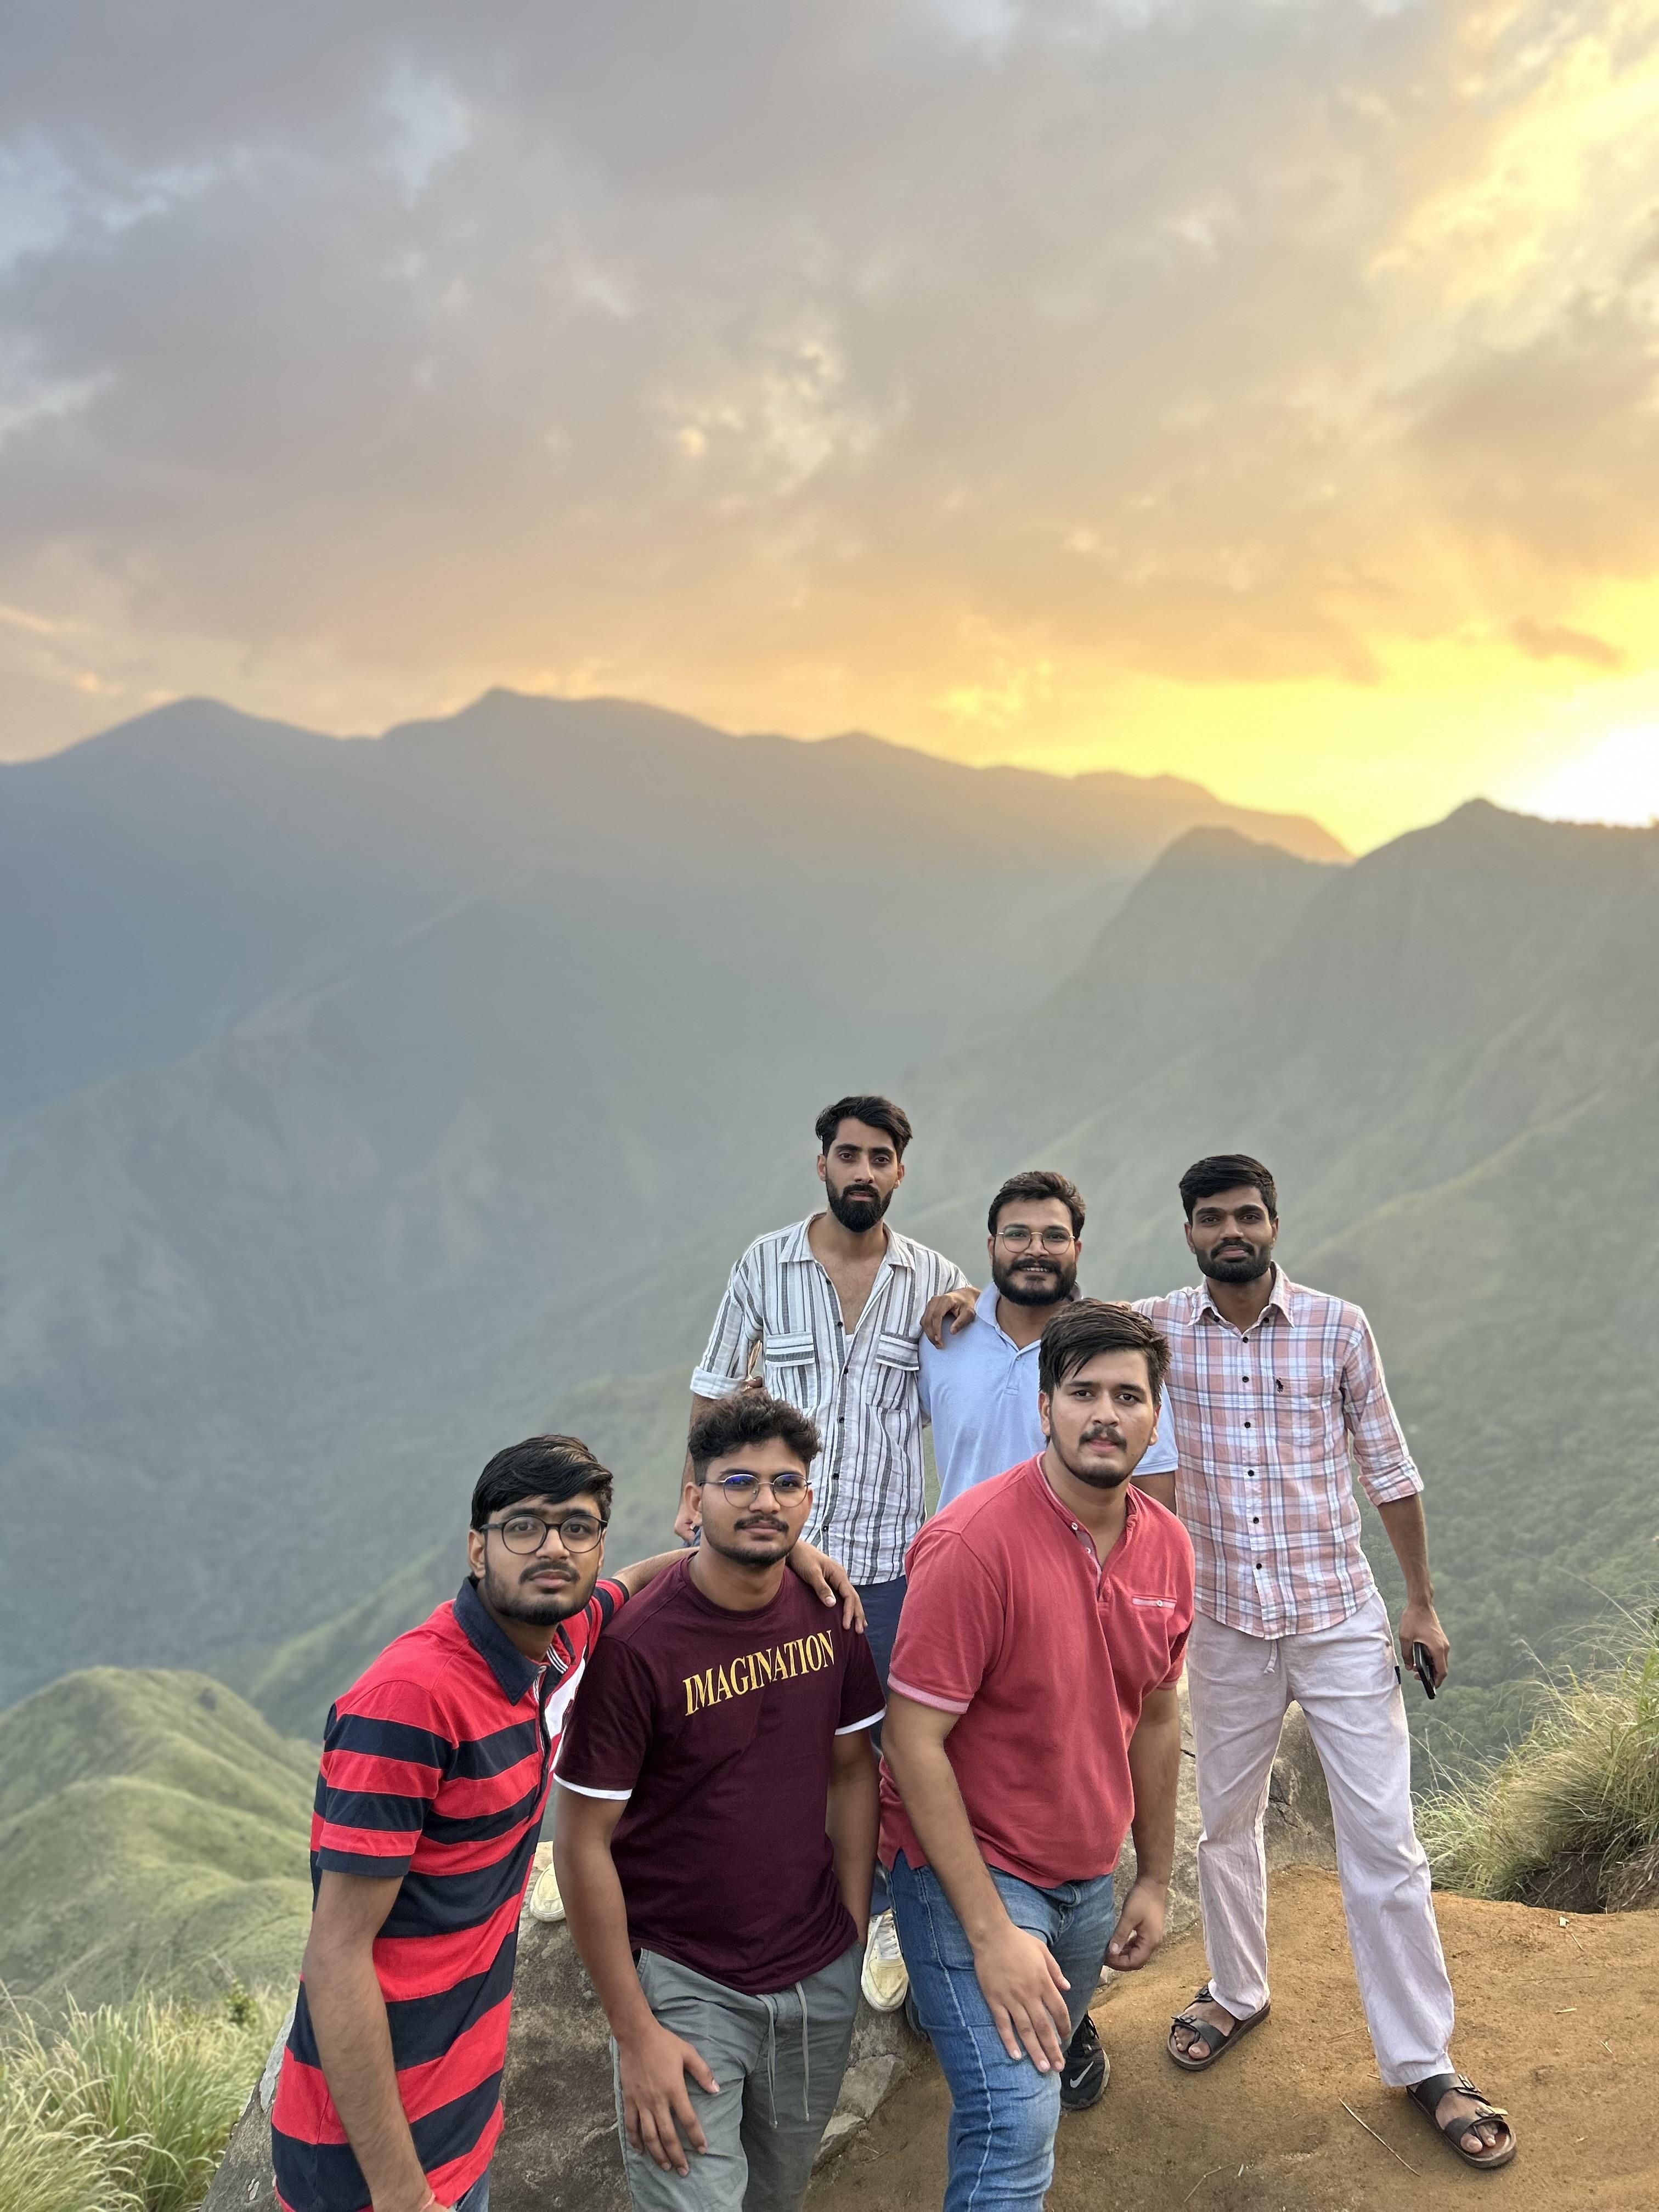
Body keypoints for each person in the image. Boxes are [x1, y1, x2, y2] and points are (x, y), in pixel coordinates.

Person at [270, 1434, 860, 2212]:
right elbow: (336, 1955)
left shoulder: (556, 1648)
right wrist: (401, 2193)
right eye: (525, 1527)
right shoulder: (409, 1702)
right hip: (365, 2165)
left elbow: (640, 1580)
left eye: (577, 1528)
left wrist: (785, 1554)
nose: (554, 1548)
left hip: (460, 2127)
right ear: (477, 1548)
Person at [1138, 1155, 1515, 2172]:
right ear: (1188, 1231)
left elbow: (1388, 1467)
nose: (1231, 1231)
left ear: (1273, 1223)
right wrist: (962, 1305)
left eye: (1246, 1214)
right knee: (1225, 1820)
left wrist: (1420, 1602)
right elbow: (1049, 1328)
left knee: (1384, 1839)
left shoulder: (1337, 1327)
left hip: (1337, 1617)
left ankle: (1423, 2060)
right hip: (1222, 1622)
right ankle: (1236, 1989)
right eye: (1211, 1217)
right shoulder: (1156, 1328)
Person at [880, 1302, 1194, 2210]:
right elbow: (911, 1740)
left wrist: (1153, 1875)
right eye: (1083, 1392)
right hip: (972, 1866)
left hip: (1085, 1872)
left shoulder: (1167, 1546)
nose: (1105, 1414)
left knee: (1040, 2054)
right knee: (1016, 2124)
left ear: (1155, 1418)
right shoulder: (973, 1545)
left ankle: (946, 1999)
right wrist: (988, 1934)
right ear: (1044, 1406)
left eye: (1128, 1396)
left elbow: (1155, 1715)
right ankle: (946, 1972)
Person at [555, 1392, 884, 2212]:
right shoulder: (638, 1648)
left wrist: (848, 1929)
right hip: (688, 1986)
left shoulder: (831, 1614)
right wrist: (635, 2031)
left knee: (779, 2195)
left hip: (816, 1973)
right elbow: (582, 1840)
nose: (765, 1501)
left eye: (786, 1483)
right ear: (695, 1498)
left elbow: (852, 1771)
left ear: (809, 1499)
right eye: (739, 1482)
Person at [686, 1093, 974, 2008]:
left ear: (900, 1172)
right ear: (821, 1163)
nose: (862, 1171)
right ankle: (744, 1892)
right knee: (756, 1731)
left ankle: (882, 1911)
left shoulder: (935, 1279)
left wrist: (977, 1304)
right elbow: (713, 1387)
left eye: (879, 1157)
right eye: (848, 1154)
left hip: (887, 1561)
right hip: (777, 1554)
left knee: (881, 1744)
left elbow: (993, 1363)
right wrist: (694, 1498)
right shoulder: (763, 1264)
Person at [920, 1169, 1178, 1511]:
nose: (1036, 1250)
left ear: (1076, 1250)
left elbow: (1154, 1497)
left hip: (1073, 1548)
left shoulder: (1118, 1350)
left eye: (1055, 1237)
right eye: (1017, 1235)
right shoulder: (943, 1339)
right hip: (957, 1544)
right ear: (992, 1247)